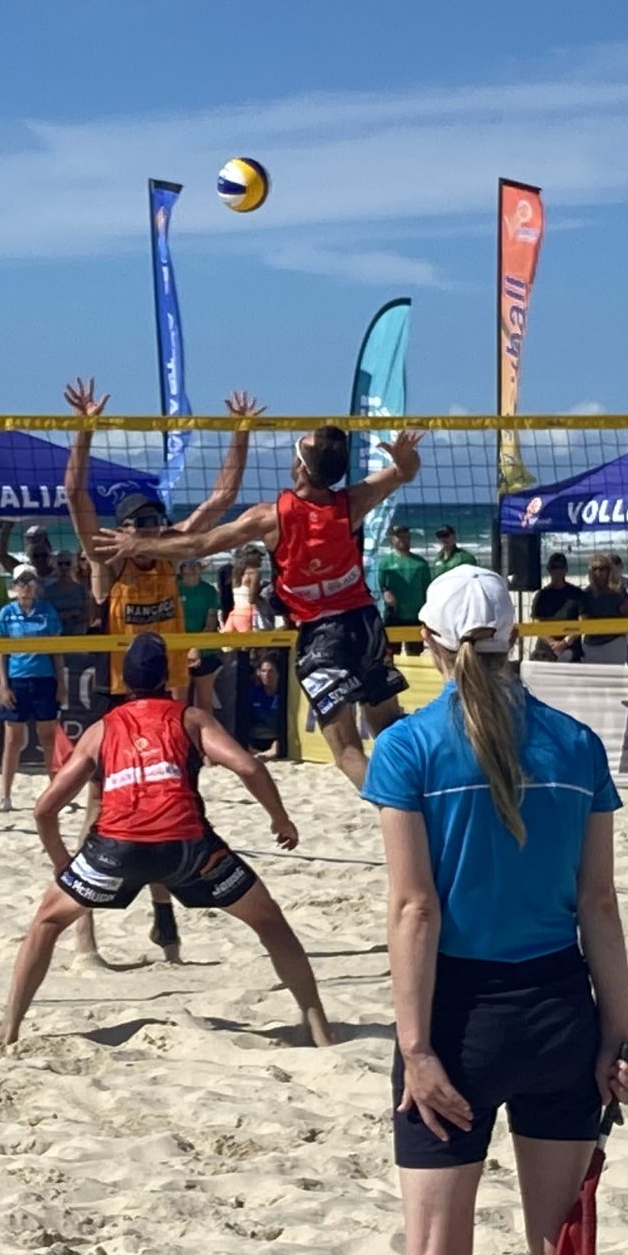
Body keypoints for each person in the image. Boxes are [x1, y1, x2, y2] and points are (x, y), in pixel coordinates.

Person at [325, 567, 628, 1255]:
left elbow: (414, 909)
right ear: (518, 637)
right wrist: (617, 1035)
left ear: (427, 643)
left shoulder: (409, 747)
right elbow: (599, 906)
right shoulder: (574, 744)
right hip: (556, 1010)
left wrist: (415, 1048)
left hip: (459, 1019)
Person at [0, 633, 333, 1048]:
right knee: (270, 922)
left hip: (115, 849)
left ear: (125, 681)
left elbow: (44, 809)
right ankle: (319, 1029)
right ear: (168, 676)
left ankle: (9, 1030)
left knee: (46, 924)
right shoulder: (191, 718)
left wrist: (62, 863)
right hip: (189, 849)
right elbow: (248, 767)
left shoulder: (101, 730)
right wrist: (280, 819)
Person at [97, 421, 423, 787]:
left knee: (348, 752)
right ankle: (427, 802)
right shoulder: (351, 502)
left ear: (300, 466)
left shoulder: (271, 517)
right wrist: (405, 460)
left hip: (321, 635)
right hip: (364, 624)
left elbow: (198, 546)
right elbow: (403, 474)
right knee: (391, 731)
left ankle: (400, 810)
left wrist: (137, 545)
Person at [61, 378, 258, 959]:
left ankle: (163, 918)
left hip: (168, 705)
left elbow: (222, 497)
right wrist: (85, 428)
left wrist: (240, 433)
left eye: (152, 523)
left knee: (174, 808)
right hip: (119, 701)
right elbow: (74, 492)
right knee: (101, 812)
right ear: (123, 528)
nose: (146, 532)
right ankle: (84, 933)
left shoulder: (173, 551)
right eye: (137, 525)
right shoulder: (105, 559)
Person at [0, 564, 65, 811]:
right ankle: (4, 796)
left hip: (44, 680)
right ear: (14, 586)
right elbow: (1, 652)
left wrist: (61, 684)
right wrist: (3, 685)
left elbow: (57, 653)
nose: (26, 586)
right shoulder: (6, 613)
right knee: (13, 740)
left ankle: (57, 794)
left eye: (30, 581)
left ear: (37, 585)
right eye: (21, 582)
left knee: (48, 739)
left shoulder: (47, 612)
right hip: (17, 680)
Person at [178, 559, 224, 707]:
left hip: (204, 650)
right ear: (182, 568)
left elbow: (210, 624)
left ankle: (204, 730)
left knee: (205, 702)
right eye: (189, 564)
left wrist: (196, 647)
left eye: (196, 564)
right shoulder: (174, 588)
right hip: (178, 649)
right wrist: (187, 649)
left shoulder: (209, 591)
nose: (192, 568)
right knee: (179, 703)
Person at [529, 551, 585, 663]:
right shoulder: (542, 595)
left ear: (566, 569)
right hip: (546, 650)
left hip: (570, 649)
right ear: (549, 570)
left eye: (561, 567)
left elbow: (583, 622)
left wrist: (565, 642)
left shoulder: (577, 594)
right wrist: (552, 643)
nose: (558, 571)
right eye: (554, 567)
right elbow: (536, 623)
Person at [578, 556, 628, 666]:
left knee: (616, 681)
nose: (598, 572)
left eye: (602, 569)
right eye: (595, 569)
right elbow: (583, 621)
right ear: (590, 572)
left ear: (608, 571)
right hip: (591, 645)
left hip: (614, 643)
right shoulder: (585, 595)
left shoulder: (618, 593)